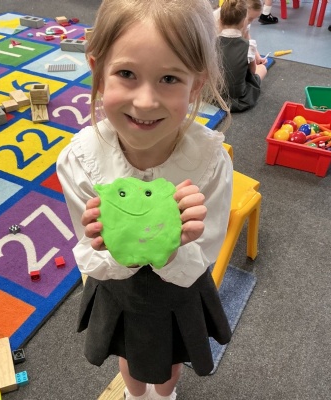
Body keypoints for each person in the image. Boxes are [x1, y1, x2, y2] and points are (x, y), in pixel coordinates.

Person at [56, 0, 233, 398]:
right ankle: (135, 395)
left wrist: (179, 245)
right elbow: (88, 252)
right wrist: (105, 243)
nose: (146, 101)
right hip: (119, 289)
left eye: (169, 78)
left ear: (196, 84)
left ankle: (164, 395)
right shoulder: (81, 159)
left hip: (179, 289)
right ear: (98, 71)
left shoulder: (208, 162)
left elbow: (207, 251)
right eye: (126, 74)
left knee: (169, 361)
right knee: (130, 355)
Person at [218, 0, 267, 112]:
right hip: (239, 100)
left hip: (214, 97)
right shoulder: (249, 45)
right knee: (262, 69)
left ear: (220, 20)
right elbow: (253, 72)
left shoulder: (212, 42)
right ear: (243, 22)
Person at [214, 0, 267, 65]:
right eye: (250, 19)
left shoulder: (243, 16)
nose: (250, 22)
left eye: (253, 19)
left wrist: (257, 57)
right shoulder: (215, 21)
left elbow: (246, 35)